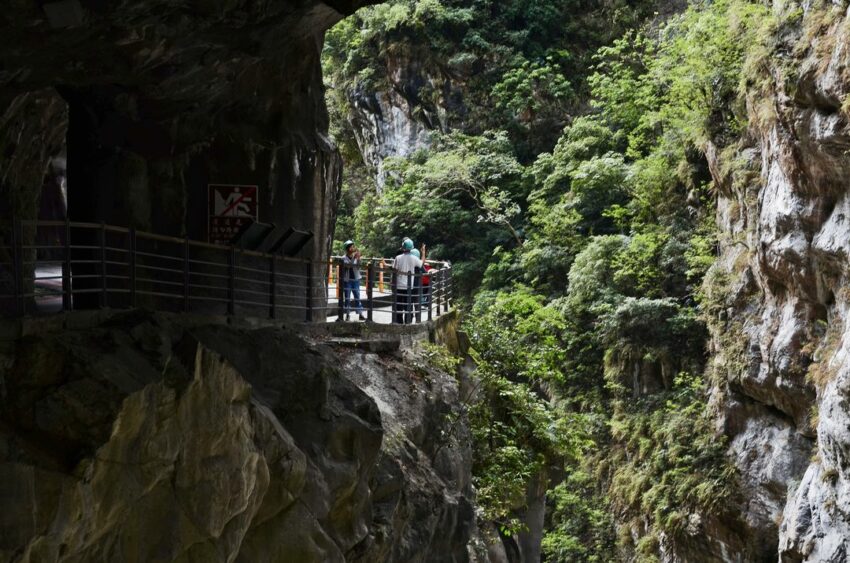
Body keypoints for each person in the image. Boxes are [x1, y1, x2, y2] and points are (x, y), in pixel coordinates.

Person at [393, 237, 422, 324]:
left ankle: (399, 322)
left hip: (399, 285)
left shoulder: (398, 257)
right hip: (409, 286)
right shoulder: (414, 258)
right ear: (411, 248)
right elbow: (421, 264)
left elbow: (394, 269)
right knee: (407, 305)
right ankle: (407, 322)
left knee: (398, 305)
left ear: (403, 248)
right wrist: (423, 253)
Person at [342, 240, 366, 321]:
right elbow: (348, 266)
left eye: (353, 246)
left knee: (357, 297)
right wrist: (354, 258)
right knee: (347, 298)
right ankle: (347, 314)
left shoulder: (355, 256)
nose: (353, 248)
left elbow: (358, 267)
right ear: (348, 249)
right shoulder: (344, 258)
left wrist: (358, 259)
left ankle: (360, 314)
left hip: (356, 279)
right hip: (347, 280)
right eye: (351, 246)